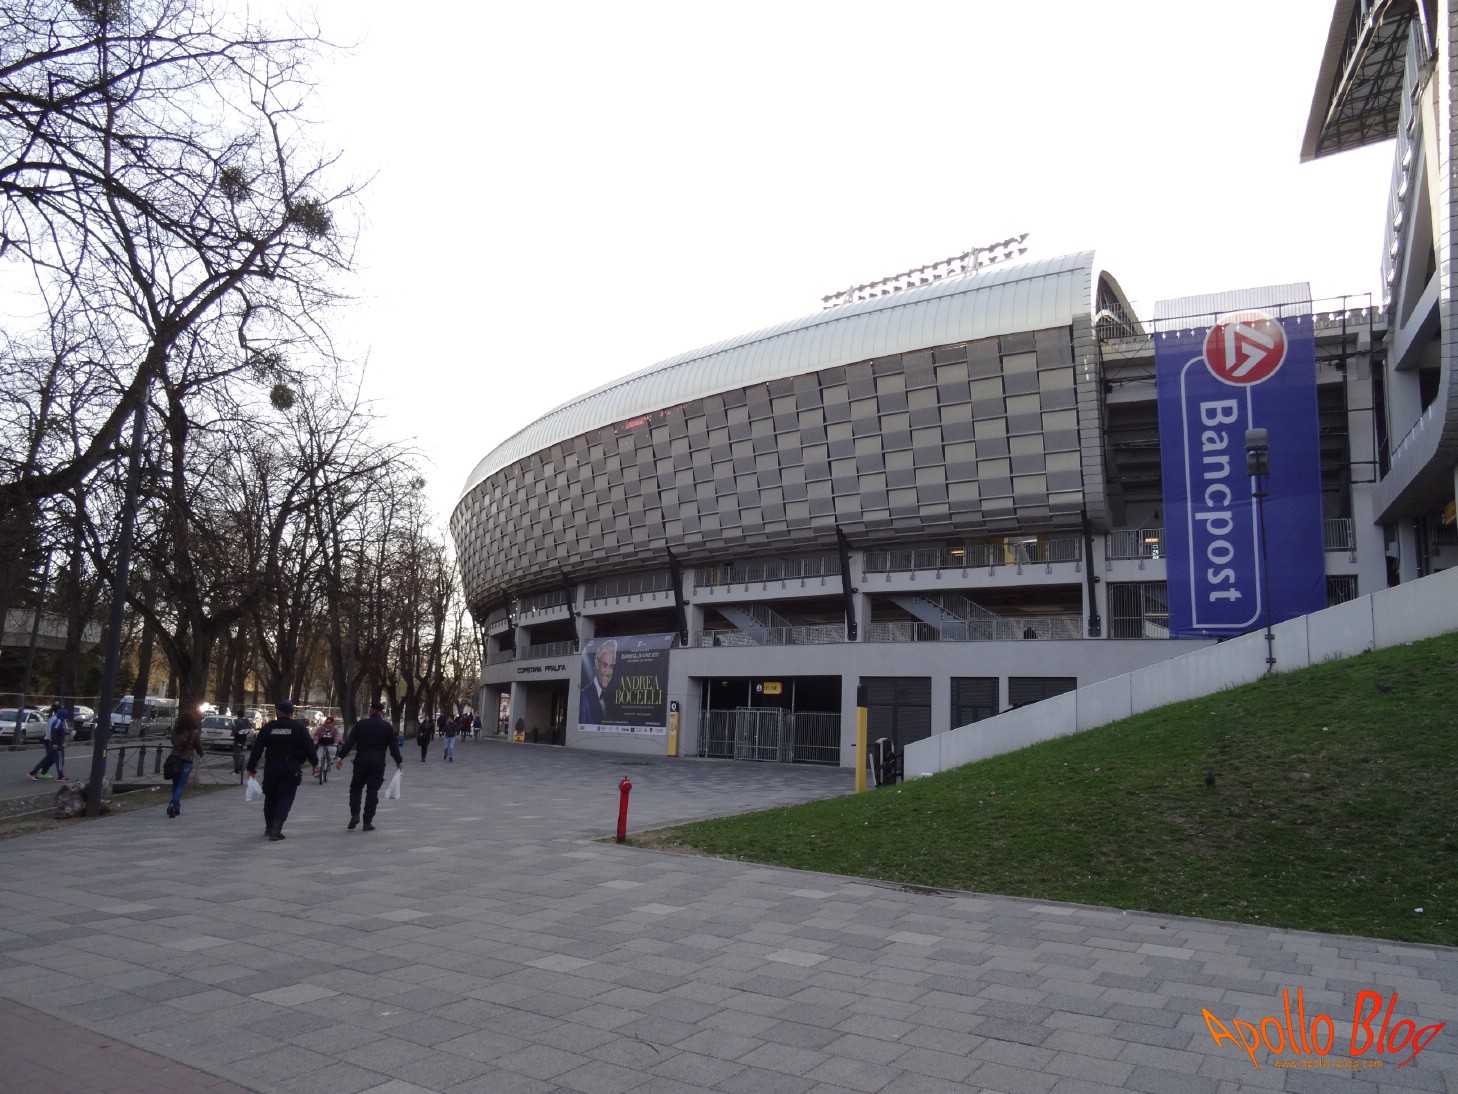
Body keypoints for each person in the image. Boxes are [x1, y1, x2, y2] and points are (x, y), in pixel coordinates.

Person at [245, 700, 318, 841]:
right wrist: (315, 763)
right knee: (285, 798)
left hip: (271, 767)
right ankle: (276, 830)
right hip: (290, 767)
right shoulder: (298, 728)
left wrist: (251, 768)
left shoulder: (268, 727)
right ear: (291, 713)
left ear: (277, 712)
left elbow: (257, 748)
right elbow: (309, 747)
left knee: (270, 798)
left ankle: (269, 827)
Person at [336, 700, 404, 831]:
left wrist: (341, 757)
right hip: (378, 763)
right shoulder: (387, 727)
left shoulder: (361, 724)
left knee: (355, 788)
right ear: (381, 712)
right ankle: (367, 822)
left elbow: (350, 742)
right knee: (372, 792)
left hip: (361, 761)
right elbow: (393, 746)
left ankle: (355, 814)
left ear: (371, 710)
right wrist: (398, 761)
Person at [166, 707, 204, 818]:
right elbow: (198, 746)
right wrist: (201, 753)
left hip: (175, 759)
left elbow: (173, 742)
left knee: (175, 783)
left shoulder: (176, 731)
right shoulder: (194, 733)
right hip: (187, 760)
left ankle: (176, 807)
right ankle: (173, 804)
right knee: (181, 784)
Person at [578, 639, 618, 725]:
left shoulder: (611, 699)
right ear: (596, 664)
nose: (608, 673)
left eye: (611, 667)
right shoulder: (584, 697)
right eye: (605, 666)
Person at [27, 703, 69, 781]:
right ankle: (59, 775)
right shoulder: (58, 721)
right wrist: (56, 742)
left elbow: (59, 731)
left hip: (50, 740)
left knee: (49, 759)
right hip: (54, 742)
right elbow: (54, 731)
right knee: (58, 759)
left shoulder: (53, 719)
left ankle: (35, 772)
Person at [231, 706, 252, 776]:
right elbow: (248, 730)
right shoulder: (246, 721)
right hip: (243, 740)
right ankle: (241, 769)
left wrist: (234, 729)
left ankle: (237, 770)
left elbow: (234, 731)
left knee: (236, 755)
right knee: (239, 754)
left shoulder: (238, 722)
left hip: (237, 740)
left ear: (238, 715)